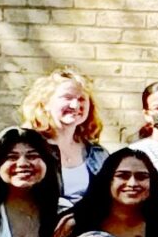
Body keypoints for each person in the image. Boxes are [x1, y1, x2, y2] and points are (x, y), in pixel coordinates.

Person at [53, 147, 158, 237]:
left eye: (142, 177)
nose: (132, 183)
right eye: (122, 175)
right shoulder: (76, 223)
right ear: (108, 180)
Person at [17, 68, 109, 208]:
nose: (75, 105)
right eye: (67, 97)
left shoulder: (98, 154)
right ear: (45, 103)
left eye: (82, 99)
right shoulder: (27, 149)